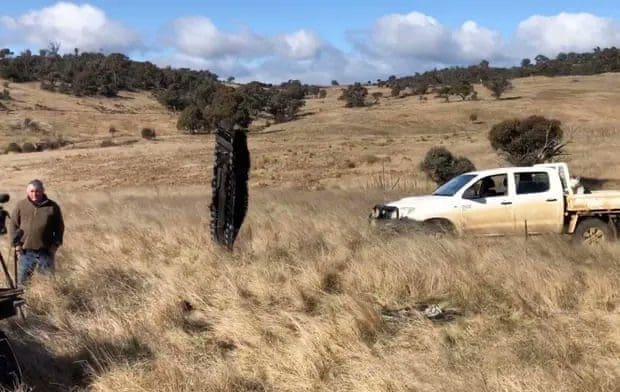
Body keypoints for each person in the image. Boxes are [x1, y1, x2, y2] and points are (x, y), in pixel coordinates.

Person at [9, 180, 64, 285]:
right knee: (23, 284)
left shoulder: (52, 206)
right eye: (32, 191)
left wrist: (55, 244)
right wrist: (16, 245)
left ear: (43, 191)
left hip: (45, 252)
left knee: (48, 283)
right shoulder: (21, 205)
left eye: (37, 191)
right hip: (25, 252)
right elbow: (13, 225)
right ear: (27, 192)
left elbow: (59, 228)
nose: (34, 194)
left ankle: (46, 301)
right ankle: (24, 301)